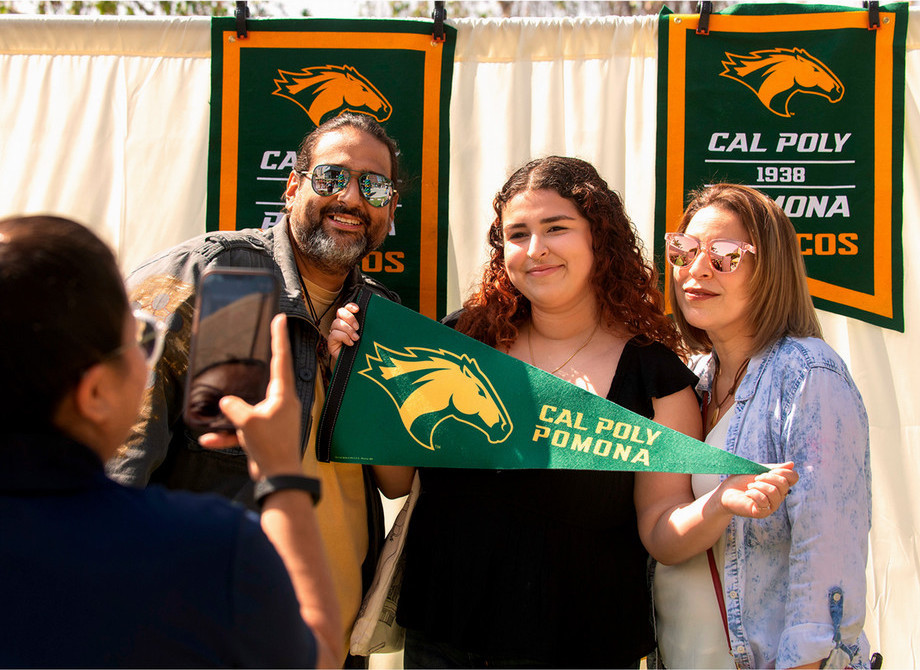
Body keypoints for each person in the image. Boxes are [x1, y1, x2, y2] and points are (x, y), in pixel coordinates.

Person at [327, 157, 796, 668]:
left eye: (556, 228)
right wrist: (353, 380)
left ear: (600, 237)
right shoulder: (463, 339)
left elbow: (661, 531)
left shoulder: (655, 378)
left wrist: (719, 503)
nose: (536, 250)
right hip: (441, 644)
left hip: (583, 650)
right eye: (518, 233)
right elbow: (397, 481)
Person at [0, 216, 341, 668]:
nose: (148, 362)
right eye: (141, 341)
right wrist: (282, 479)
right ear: (95, 392)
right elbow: (319, 655)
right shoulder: (208, 549)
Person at [104, 112, 407, 663]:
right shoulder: (208, 279)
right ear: (293, 187)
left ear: (389, 209)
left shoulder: (383, 318)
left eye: (375, 186)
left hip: (332, 646)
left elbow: (395, 482)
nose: (353, 198)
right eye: (333, 177)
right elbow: (113, 468)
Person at [655, 183, 871, 669]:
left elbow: (827, 560)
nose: (697, 268)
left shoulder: (808, 374)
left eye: (726, 255)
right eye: (684, 250)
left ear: (770, 268)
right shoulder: (692, 378)